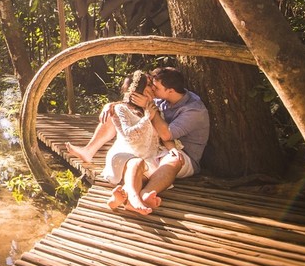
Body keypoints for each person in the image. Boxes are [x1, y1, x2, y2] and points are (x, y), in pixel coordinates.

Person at [66, 66, 209, 214]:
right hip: (157, 147)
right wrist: (111, 105)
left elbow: (166, 135)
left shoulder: (193, 110)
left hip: (181, 152)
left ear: (170, 91)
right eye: (151, 85)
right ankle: (89, 151)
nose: (153, 89)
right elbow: (129, 105)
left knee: (160, 162)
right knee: (114, 116)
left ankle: (141, 194)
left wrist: (149, 111)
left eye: (156, 87)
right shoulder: (163, 98)